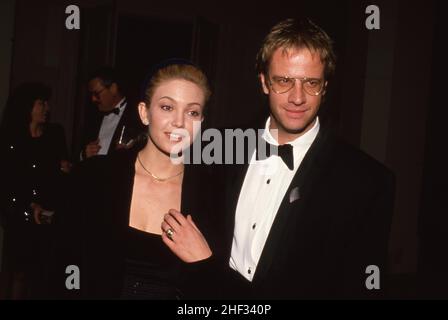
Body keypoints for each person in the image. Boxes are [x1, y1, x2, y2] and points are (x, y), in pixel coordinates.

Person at [211, 18, 396, 299]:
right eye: (284, 81)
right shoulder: (221, 150)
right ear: (264, 82)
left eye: (311, 83)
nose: (298, 97)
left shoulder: (367, 181)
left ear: (325, 87)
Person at [55, 60, 214, 299]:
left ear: (200, 123)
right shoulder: (93, 178)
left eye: (192, 112)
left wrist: (204, 262)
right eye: (167, 107)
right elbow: (63, 265)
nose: (179, 122)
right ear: (144, 113)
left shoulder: (212, 194)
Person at [0, 82, 70, 299]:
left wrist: (70, 167)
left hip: (48, 215)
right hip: (20, 214)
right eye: (41, 103)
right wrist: (28, 205)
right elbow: (7, 180)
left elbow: (62, 170)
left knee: (44, 274)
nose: (46, 107)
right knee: (20, 273)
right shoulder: (11, 138)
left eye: (46, 103)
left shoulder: (55, 133)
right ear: (27, 107)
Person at [79, 67, 144, 160]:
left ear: (113, 88)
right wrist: (84, 154)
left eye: (96, 94)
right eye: (91, 95)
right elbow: (75, 156)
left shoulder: (138, 115)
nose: (93, 99)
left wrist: (130, 152)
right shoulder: (91, 117)